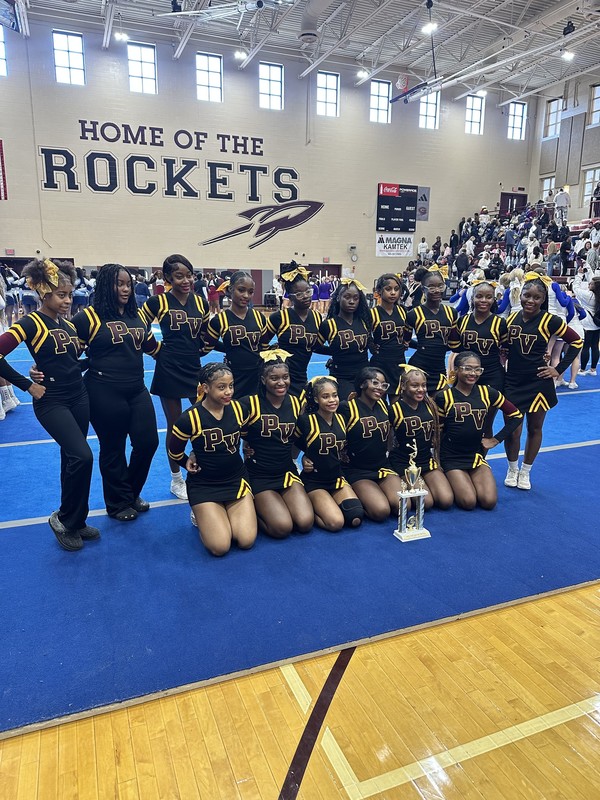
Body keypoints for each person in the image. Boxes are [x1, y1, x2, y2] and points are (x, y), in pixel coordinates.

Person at [0, 258, 97, 550]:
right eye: (61, 295)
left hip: (78, 396)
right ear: (45, 294)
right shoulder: (30, 322)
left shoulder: (67, 324)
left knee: (72, 459)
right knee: (83, 456)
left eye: (69, 294)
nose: (68, 300)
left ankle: (76, 520)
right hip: (51, 400)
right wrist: (27, 383)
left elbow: (69, 364)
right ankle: (63, 518)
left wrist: (94, 359)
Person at [72, 264, 161, 521]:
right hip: (103, 390)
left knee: (147, 443)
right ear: (105, 286)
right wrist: (42, 370)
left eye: (127, 284)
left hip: (136, 389)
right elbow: (67, 355)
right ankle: (118, 503)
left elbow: (155, 350)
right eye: (118, 284)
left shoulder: (138, 317)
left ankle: (129, 492)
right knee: (113, 448)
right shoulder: (87, 318)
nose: (125, 289)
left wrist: (189, 352)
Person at [138, 254, 209, 501]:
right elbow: (138, 326)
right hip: (168, 368)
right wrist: (156, 350)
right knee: (176, 425)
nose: (186, 280)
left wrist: (203, 350)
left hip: (194, 367)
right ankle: (176, 478)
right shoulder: (158, 302)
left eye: (189, 275)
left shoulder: (202, 303)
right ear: (167, 278)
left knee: (204, 420)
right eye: (179, 276)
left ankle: (204, 467)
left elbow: (206, 334)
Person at [503, 273, 583, 490]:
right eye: (527, 295)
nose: (530, 300)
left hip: (538, 382)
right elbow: (503, 347)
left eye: (536, 297)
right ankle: (512, 468)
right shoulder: (511, 319)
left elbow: (576, 342)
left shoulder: (551, 320)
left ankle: (526, 471)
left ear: (543, 300)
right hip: (513, 381)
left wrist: (557, 370)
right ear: (521, 296)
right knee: (512, 429)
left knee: (535, 427)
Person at [168, 362, 257, 556]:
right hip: (205, 484)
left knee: (246, 540)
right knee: (220, 547)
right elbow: (173, 451)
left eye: (231, 386)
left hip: (235, 480)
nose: (228, 392)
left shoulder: (240, 409)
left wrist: (247, 446)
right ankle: (201, 513)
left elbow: (247, 431)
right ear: (205, 388)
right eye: (221, 387)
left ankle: (221, 512)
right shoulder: (190, 418)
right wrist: (186, 462)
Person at [239, 351, 313, 538]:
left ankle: (273, 506)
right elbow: (225, 428)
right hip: (259, 474)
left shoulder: (297, 403)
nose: (281, 383)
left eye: (285, 377)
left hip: (286, 471)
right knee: (282, 528)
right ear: (263, 380)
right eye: (274, 378)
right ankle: (254, 509)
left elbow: (301, 436)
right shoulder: (249, 403)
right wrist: (194, 453)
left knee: (304, 523)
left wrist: (307, 455)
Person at [435, 352, 523, 510]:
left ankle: (463, 480)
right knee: (468, 502)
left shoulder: (488, 392)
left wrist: (496, 439)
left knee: (489, 502)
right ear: (456, 370)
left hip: (475, 455)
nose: (473, 373)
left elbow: (516, 415)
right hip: (451, 456)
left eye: (477, 369)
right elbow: (438, 431)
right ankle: (450, 479)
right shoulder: (444, 397)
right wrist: (437, 460)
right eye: (467, 369)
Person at [294, 376, 364, 531]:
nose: (332, 400)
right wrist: (304, 457)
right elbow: (293, 442)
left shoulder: (341, 418)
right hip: (315, 480)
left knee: (355, 517)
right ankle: (312, 507)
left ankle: (327, 504)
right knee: (336, 523)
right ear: (317, 399)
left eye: (335, 395)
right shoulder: (306, 420)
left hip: (337, 477)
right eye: (325, 396)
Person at [338, 367, 403, 521]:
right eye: (375, 383)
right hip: (357, 470)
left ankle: (375, 494)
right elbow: (330, 433)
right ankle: (358, 498)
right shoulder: (346, 408)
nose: (380, 388)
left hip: (382, 466)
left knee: (403, 506)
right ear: (362, 384)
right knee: (381, 511)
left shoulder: (383, 406)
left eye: (383, 385)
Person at [449, 280, 508, 438]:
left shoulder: (500, 323)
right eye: (479, 296)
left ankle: (480, 459)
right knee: (462, 420)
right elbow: (455, 349)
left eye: (489, 297)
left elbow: (507, 350)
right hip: (465, 377)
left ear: (494, 300)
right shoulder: (462, 321)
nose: (483, 300)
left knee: (486, 422)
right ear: (472, 298)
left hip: (492, 376)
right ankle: (463, 458)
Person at [389, 367, 453, 510]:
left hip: (426, 460)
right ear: (403, 386)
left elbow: (439, 434)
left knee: (446, 500)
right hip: (404, 462)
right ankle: (401, 480)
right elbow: (387, 439)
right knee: (427, 503)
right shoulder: (394, 409)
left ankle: (422, 481)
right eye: (414, 385)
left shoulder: (431, 406)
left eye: (423, 385)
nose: (421, 389)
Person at [203, 271, 268, 398]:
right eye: (241, 290)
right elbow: (207, 346)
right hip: (233, 377)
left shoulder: (259, 317)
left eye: (250, 292)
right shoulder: (219, 320)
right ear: (231, 289)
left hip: (256, 376)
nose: (246, 295)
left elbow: (264, 348)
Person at [263, 265, 323, 395]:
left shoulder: (317, 317)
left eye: (308, 291)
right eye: (299, 294)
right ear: (290, 297)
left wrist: (338, 353)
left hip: (301, 375)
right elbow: (261, 343)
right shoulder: (279, 317)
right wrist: (272, 352)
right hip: (281, 377)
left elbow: (315, 346)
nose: (306, 296)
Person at [401, 268, 457, 396]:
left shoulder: (451, 313)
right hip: (418, 366)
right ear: (423, 289)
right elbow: (406, 342)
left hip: (439, 368)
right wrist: (422, 347)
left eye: (440, 286)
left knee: (444, 405)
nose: (436, 290)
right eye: (431, 287)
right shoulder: (413, 314)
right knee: (415, 408)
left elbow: (454, 344)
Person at [318, 279, 372, 400]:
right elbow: (315, 346)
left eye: (355, 298)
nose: (351, 301)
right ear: (338, 298)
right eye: (347, 297)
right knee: (348, 408)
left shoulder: (364, 321)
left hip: (364, 375)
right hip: (342, 376)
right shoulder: (329, 325)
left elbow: (370, 344)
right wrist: (333, 352)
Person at [370, 274, 407, 397]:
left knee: (397, 401)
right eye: (388, 289)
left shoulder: (402, 311)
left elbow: (404, 336)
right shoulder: (372, 313)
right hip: (380, 363)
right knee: (378, 401)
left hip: (399, 362)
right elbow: (364, 334)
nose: (393, 293)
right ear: (379, 291)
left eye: (396, 289)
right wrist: (371, 345)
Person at [573, 272, 600, 376]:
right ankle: (593, 369)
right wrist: (588, 269)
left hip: (588, 324)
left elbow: (575, 287)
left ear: (594, 286)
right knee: (595, 346)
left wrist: (579, 275)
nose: (589, 285)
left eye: (591, 284)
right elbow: (594, 279)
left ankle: (583, 369)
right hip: (598, 324)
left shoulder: (588, 296)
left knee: (586, 347)